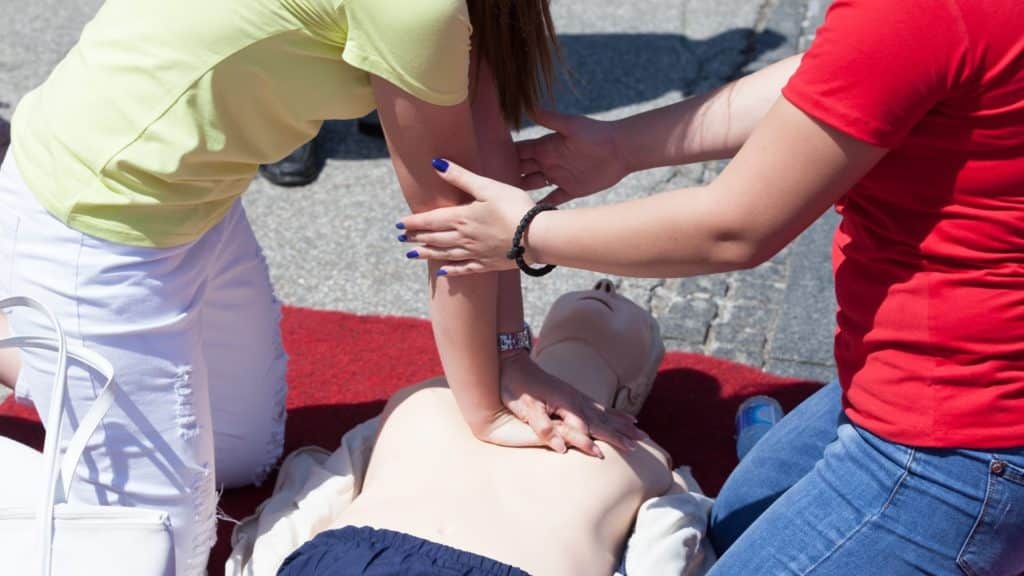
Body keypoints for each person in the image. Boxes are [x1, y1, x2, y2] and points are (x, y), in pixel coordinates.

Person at [0, 1, 640, 574]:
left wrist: (511, 356)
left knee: (245, 458)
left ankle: (43, 347)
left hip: (197, 207)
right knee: (159, 552)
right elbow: (450, 227)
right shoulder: (418, 10)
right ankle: (37, 325)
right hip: (94, 219)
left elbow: (484, 165)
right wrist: (486, 411)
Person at [397, 0, 1024, 572]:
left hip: (966, 433)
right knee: (724, 527)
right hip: (932, 380)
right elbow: (845, 73)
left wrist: (527, 232)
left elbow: (734, 229)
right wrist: (623, 146)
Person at [278, 280, 698, 576]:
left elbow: (319, 490)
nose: (607, 286)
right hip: (349, 560)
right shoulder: (425, 398)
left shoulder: (644, 458)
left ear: (633, 393)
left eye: (637, 315)